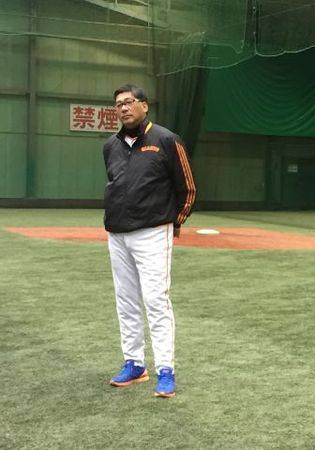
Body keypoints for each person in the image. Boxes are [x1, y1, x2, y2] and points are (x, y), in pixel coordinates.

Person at [103, 84, 196, 398]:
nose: (123, 108)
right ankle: (134, 364)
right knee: (126, 300)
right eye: (118, 104)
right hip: (117, 233)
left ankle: (166, 370)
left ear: (144, 106)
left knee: (156, 300)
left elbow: (188, 187)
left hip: (153, 231)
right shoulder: (111, 146)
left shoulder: (166, 140)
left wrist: (174, 221)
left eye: (129, 102)